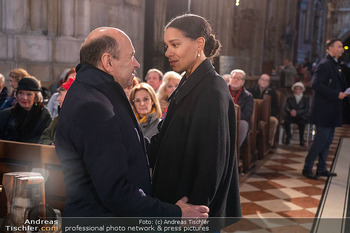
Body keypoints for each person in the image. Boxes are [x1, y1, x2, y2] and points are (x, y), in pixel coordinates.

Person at [55, 27, 209, 218]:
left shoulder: (94, 92)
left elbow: (128, 145)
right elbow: (117, 193)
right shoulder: (94, 106)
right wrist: (176, 214)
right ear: (108, 61)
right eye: (131, 56)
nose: (136, 64)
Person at [149, 14, 241, 220]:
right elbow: (167, 136)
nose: (168, 52)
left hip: (194, 211)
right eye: (166, 46)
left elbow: (212, 160)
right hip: (176, 200)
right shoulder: (188, 80)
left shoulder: (212, 89)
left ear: (199, 43)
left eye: (175, 44)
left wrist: (196, 207)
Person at [302, 38, 348, 179]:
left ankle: (321, 168)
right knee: (321, 140)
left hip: (332, 109)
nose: (342, 49)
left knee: (328, 140)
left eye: (342, 47)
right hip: (324, 110)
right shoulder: (324, 64)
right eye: (339, 46)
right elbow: (316, 84)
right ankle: (307, 167)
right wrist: (336, 94)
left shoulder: (335, 64)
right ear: (331, 48)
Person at [0, 77, 51, 143]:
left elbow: (46, 139)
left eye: (29, 94)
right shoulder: (5, 115)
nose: (24, 98)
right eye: (21, 93)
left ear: (36, 97)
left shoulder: (44, 115)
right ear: (17, 95)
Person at [39, 77, 75, 145]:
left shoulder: (83, 120)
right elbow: (44, 137)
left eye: (61, 95)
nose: (58, 99)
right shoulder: (58, 118)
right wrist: (51, 144)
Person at [249, 74, 279, 146]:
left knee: (274, 121)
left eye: (266, 80)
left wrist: (267, 113)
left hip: (268, 116)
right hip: (253, 115)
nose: (264, 82)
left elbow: (276, 108)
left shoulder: (272, 93)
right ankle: (250, 144)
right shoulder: (251, 91)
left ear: (268, 83)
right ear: (259, 81)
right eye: (262, 79)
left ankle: (268, 143)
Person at [229, 69, 254, 147]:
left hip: (239, 120)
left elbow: (247, 113)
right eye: (234, 77)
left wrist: (234, 117)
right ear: (230, 79)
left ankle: (234, 151)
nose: (236, 80)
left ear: (243, 82)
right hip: (223, 118)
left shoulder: (248, 96)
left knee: (243, 125)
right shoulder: (222, 92)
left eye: (239, 78)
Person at [283, 82, 309, 146]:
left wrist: (297, 112)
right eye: (296, 89)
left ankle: (301, 139)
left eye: (299, 89)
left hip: (301, 116)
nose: (297, 90)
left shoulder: (305, 98)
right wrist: (291, 111)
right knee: (286, 122)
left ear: (302, 90)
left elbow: (307, 108)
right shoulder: (289, 98)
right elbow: (286, 107)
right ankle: (288, 137)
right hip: (291, 115)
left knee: (302, 123)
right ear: (294, 90)